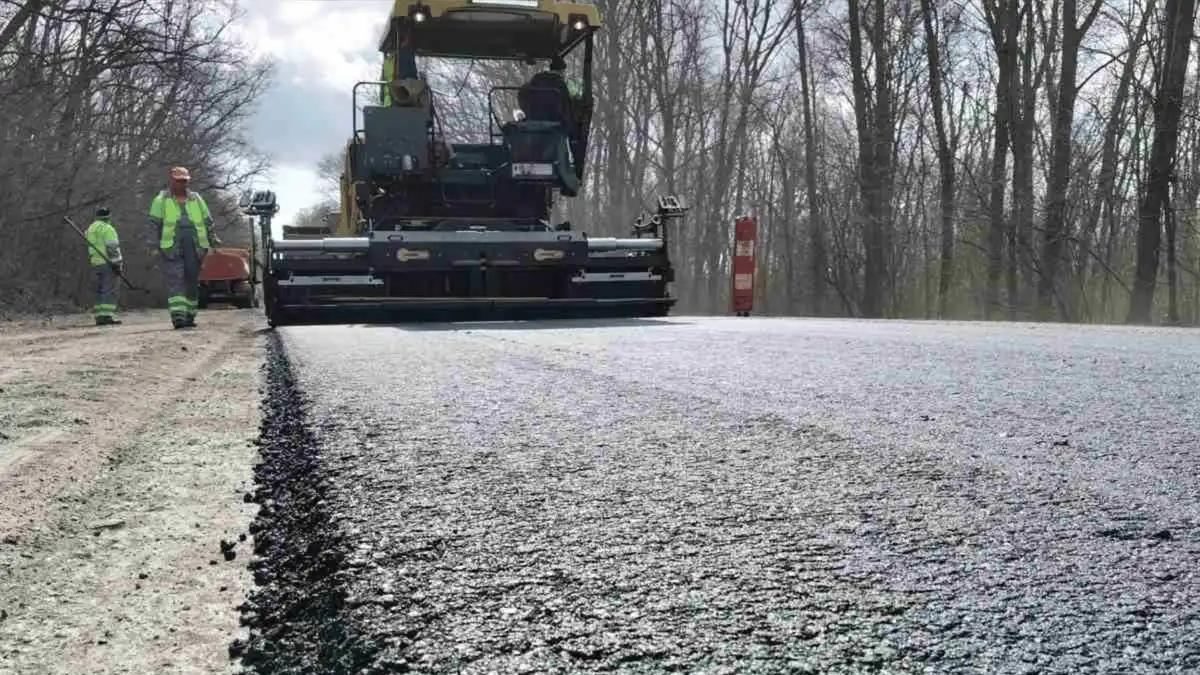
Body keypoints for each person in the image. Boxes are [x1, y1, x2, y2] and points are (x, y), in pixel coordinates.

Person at [146, 166, 218, 329]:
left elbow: (208, 221)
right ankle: (178, 317)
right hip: (171, 247)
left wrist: (212, 239)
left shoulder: (196, 199)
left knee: (192, 282)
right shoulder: (161, 200)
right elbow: (153, 224)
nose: (182, 184)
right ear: (171, 180)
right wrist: (153, 246)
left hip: (195, 247)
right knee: (176, 281)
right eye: (178, 181)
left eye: (184, 181)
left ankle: (190, 315)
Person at [85, 207, 124, 326]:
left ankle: (99, 316)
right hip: (108, 263)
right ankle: (107, 316)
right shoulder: (108, 229)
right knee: (109, 290)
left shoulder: (90, 229)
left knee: (99, 290)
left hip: (95, 263)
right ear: (108, 217)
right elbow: (112, 248)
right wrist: (117, 264)